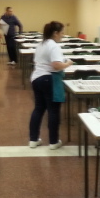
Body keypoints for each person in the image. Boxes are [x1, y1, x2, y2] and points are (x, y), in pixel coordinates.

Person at [28, 21, 73, 150]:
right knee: (53, 111)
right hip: (49, 79)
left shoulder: (41, 44)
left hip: (37, 78)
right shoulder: (53, 46)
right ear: (55, 33)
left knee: (38, 109)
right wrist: (68, 63)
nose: (63, 35)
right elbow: (56, 65)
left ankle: (33, 140)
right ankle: (53, 142)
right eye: (62, 33)